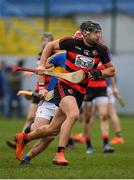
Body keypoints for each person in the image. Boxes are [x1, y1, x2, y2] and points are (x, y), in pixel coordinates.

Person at [15, 20, 116, 165]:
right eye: (95, 32)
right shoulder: (71, 42)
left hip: (80, 90)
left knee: (52, 130)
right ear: (85, 32)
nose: (98, 35)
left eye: (99, 32)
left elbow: (111, 70)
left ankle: (24, 138)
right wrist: (42, 65)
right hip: (64, 85)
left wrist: (98, 73)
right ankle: (59, 153)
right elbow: (50, 45)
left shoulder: (101, 50)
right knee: (74, 114)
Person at [6, 32, 54, 148]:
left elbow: (50, 70)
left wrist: (33, 71)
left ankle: (69, 141)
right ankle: (20, 141)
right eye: (43, 40)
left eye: (47, 40)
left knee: (54, 121)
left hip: (49, 91)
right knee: (30, 117)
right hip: (39, 89)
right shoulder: (39, 55)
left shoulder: (54, 55)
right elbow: (40, 71)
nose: (45, 42)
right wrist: (34, 72)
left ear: (52, 42)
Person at [106, 77, 125, 144]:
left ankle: (118, 137)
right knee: (109, 114)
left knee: (111, 113)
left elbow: (111, 75)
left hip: (105, 88)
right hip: (107, 88)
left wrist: (114, 87)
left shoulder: (107, 66)